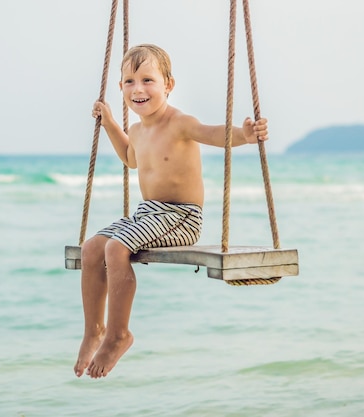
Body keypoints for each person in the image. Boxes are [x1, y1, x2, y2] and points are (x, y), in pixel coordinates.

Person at [74, 44, 268, 378]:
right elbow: (130, 158)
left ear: (168, 85)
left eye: (148, 80)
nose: (139, 89)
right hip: (148, 214)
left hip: (181, 217)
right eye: (130, 81)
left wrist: (245, 136)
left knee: (115, 248)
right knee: (92, 248)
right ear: (121, 88)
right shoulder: (136, 130)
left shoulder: (179, 123)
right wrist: (107, 122)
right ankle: (95, 329)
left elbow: (215, 134)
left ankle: (119, 334)